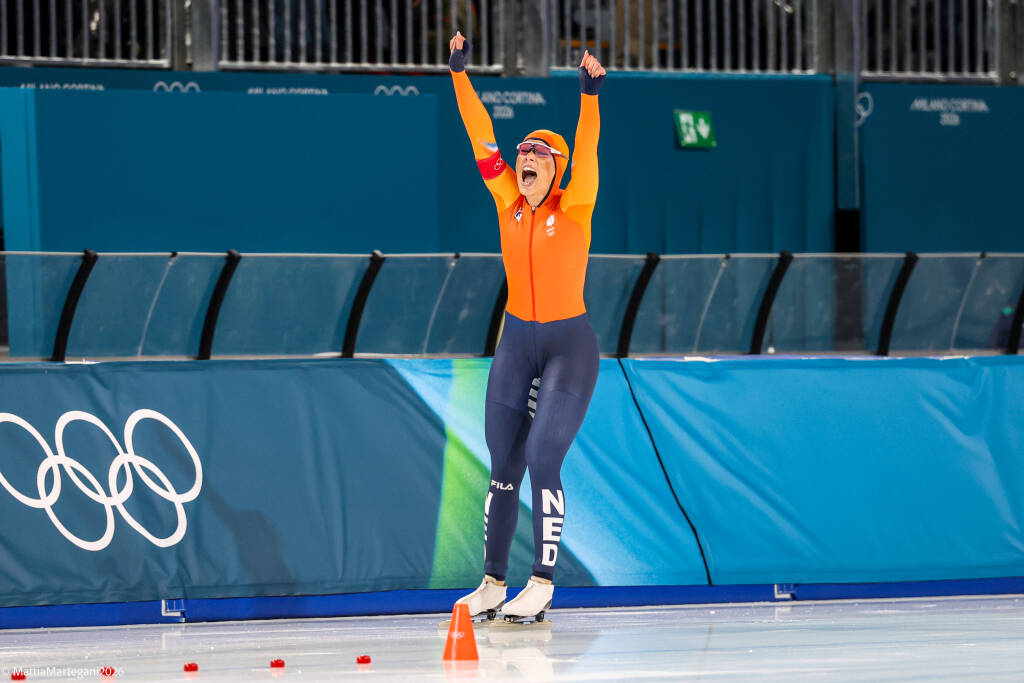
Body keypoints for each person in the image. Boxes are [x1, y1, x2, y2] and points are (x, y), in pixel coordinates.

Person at [447, 31, 606, 624]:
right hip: (517, 341)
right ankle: (492, 582)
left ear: (556, 169)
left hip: (569, 347)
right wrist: (461, 75)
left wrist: (589, 96)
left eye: (538, 154)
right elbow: (480, 133)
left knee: (543, 454)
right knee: (503, 462)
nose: (525, 159)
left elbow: (586, 151)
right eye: (522, 154)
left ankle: (542, 581)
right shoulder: (506, 199)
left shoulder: (576, 205)